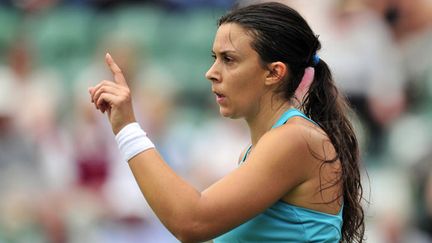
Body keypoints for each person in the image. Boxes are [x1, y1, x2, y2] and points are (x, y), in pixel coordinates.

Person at [88, 2, 365, 242]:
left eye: (228, 59)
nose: (211, 73)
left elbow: (191, 222)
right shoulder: (260, 149)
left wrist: (127, 129)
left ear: (273, 73)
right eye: (214, 58)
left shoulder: (295, 140)